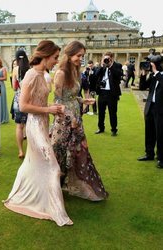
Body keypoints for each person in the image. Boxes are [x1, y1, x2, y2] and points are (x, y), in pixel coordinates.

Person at [4, 40, 73, 226]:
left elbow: (41, 103)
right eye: (55, 58)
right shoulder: (31, 75)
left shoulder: (44, 74)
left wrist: (52, 108)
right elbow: (23, 106)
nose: (56, 61)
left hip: (43, 122)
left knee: (35, 163)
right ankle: (53, 208)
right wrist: (48, 110)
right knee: (52, 165)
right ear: (45, 55)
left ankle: (27, 195)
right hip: (34, 125)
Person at [50, 41, 108, 201]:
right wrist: (70, 118)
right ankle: (53, 188)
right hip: (64, 121)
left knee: (79, 152)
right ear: (69, 55)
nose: (80, 59)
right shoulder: (61, 73)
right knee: (59, 152)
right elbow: (57, 100)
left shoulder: (76, 71)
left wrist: (83, 101)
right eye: (78, 55)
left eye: (82, 56)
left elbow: (72, 96)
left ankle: (74, 185)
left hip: (76, 118)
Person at [137, 55, 163, 168]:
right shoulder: (154, 75)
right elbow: (143, 87)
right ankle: (149, 153)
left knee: (160, 133)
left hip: (161, 108)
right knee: (149, 131)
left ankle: (161, 158)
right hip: (150, 106)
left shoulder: (159, 75)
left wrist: (156, 72)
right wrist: (143, 74)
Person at [95, 52, 123, 136]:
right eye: (105, 58)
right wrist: (102, 65)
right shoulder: (102, 66)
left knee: (112, 112)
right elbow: (96, 75)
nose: (106, 60)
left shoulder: (117, 65)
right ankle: (101, 128)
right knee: (101, 112)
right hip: (102, 92)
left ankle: (114, 129)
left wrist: (110, 66)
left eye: (108, 58)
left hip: (112, 93)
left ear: (112, 58)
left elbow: (118, 75)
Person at [12, 50, 29, 159]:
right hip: (29, 100)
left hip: (18, 99)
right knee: (29, 125)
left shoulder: (15, 69)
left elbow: (14, 87)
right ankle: (30, 151)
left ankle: (20, 151)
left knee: (19, 126)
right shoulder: (31, 69)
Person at [0, 57, 9, 123]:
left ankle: (3, 118)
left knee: (2, 101)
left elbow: (5, 78)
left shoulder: (3, 68)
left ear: (0, 61)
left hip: (1, 86)